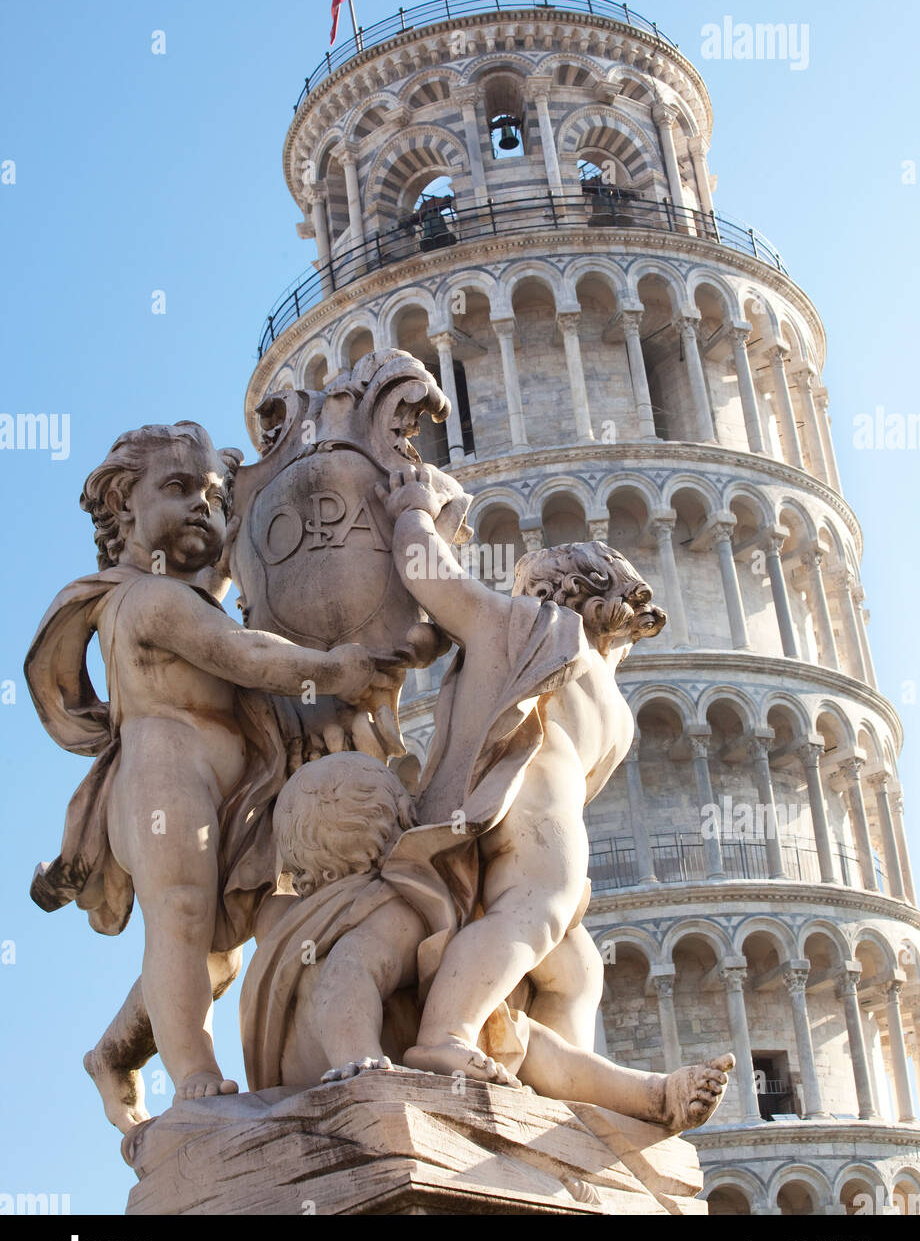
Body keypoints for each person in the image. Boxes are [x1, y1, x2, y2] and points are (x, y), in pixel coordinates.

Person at [26, 421, 392, 1128]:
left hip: (240, 787)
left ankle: (114, 1054)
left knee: (225, 947)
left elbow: (222, 597)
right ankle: (194, 1071)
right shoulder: (145, 600)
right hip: (166, 780)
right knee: (184, 919)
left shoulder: (190, 593)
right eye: (178, 488)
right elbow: (246, 657)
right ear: (124, 507)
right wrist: (334, 669)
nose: (202, 504)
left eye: (214, 495)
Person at [241, 751, 735, 1135]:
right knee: (529, 1044)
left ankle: (656, 1096)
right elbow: (348, 973)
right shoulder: (388, 906)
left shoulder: (294, 919)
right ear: (394, 826)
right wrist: (359, 1061)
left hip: (305, 1069)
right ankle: (652, 1095)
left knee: (514, 1034)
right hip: (342, 1060)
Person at [375, 466, 670, 1085]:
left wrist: (415, 516)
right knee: (535, 912)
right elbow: (437, 580)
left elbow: (435, 578)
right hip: (534, 812)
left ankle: (559, 1087)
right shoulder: (541, 633)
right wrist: (412, 513)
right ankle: (445, 1035)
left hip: (539, 819)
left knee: (577, 969)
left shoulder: (588, 673)